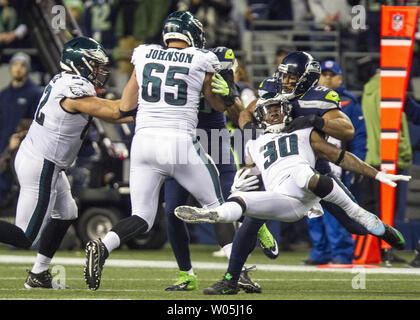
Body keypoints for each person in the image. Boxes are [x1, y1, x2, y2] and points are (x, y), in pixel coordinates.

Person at [195, 50, 398, 294]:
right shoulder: (270, 87)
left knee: (352, 224)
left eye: (293, 77)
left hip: (313, 166)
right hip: (275, 164)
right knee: (251, 221)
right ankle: (231, 279)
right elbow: (248, 111)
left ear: (307, 78)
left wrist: (316, 120)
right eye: (284, 76)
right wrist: (249, 131)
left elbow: (347, 131)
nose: (287, 81)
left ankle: (382, 229)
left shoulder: (320, 97)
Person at [83, 10, 245, 291]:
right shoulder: (202, 58)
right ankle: (237, 273)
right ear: (193, 34)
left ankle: (103, 245)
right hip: (179, 142)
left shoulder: (144, 54)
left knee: (142, 217)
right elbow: (218, 106)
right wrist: (227, 92)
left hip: (144, 143)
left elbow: (125, 106)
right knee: (216, 207)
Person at [0, 36, 131, 289]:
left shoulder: (66, 79)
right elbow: (115, 113)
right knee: (25, 237)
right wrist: (153, 107)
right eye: (94, 65)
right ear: (80, 64)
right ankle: (38, 273)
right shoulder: (73, 89)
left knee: (67, 212)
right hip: (42, 164)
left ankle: (39, 274)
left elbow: (115, 113)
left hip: (42, 157)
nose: (99, 70)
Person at [163, 46, 266, 294]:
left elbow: (238, 114)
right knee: (172, 212)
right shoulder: (186, 73)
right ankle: (186, 274)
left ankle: (242, 262)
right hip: (185, 146)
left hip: (216, 144)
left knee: (229, 203)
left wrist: (229, 95)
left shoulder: (224, 78)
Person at [303, 59, 367, 265]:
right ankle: (319, 252)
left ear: (340, 78)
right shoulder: (306, 98)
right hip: (311, 161)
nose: (328, 78)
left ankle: (341, 253)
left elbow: (358, 136)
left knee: (337, 209)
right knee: (312, 209)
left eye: (332, 75)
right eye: (325, 74)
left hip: (336, 164)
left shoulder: (349, 102)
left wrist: (358, 163)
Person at [0, 52, 42, 203]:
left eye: (22, 65)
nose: (18, 69)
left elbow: (38, 124)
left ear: (28, 69)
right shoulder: (4, 94)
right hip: (5, 150)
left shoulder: (35, 94)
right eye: (15, 65)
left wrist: (21, 137)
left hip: (24, 150)